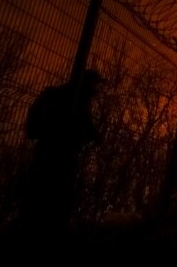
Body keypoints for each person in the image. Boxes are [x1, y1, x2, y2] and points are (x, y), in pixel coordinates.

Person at [22, 68, 105, 232]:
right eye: (94, 85)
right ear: (86, 83)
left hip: (45, 154)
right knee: (55, 202)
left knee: (37, 200)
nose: (96, 90)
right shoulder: (76, 101)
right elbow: (88, 130)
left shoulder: (60, 95)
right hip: (60, 158)